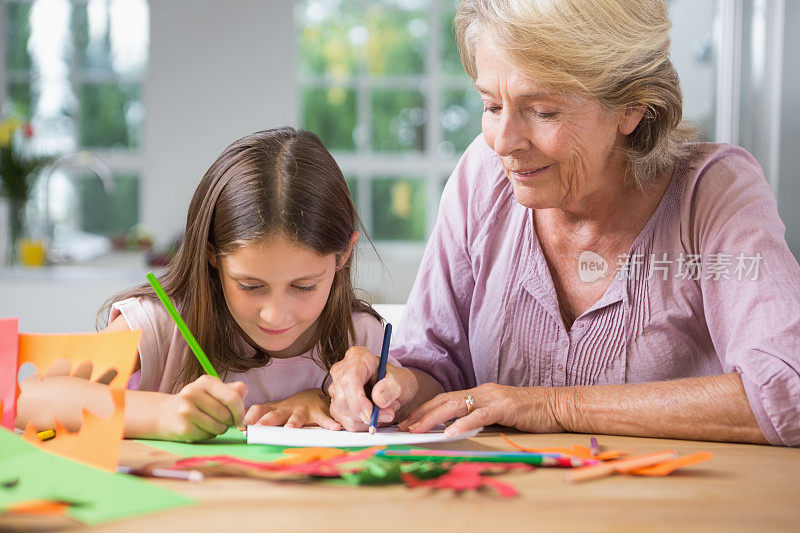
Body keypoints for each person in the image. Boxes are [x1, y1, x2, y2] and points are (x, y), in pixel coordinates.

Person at [327, 0, 800, 447]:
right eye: (492, 106)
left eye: (543, 111)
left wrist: (555, 405)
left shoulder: (712, 194)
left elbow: (787, 391)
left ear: (631, 106)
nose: (504, 141)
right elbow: (440, 368)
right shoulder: (482, 177)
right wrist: (394, 385)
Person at [17, 127, 397, 442]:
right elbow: (27, 399)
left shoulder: (358, 338)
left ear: (343, 255)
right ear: (213, 256)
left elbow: (412, 401)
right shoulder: (161, 325)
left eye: (303, 286)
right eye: (250, 285)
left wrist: (326, 398)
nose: (275, 314)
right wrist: (161, 413)